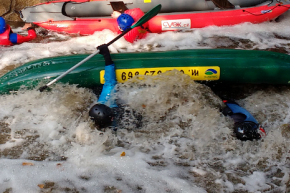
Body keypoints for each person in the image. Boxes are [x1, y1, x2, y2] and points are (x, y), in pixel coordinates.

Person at [87, 45, 265, 141]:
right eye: (110, 118)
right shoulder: (109, 131)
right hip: (136, 120)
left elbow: (110, 81)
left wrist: (106, 55)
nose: (112, 117)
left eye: (111, 115)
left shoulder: (108, 98)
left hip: (131, 108)